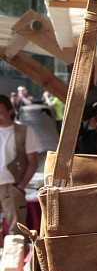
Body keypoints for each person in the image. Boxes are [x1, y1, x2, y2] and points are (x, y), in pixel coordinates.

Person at [0, 94, 42, 231]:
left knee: (16, 231)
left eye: (0, 112)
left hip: (11, 186)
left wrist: (20, 187)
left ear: (10, 111)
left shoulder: (24, 131)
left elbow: (33, 162)